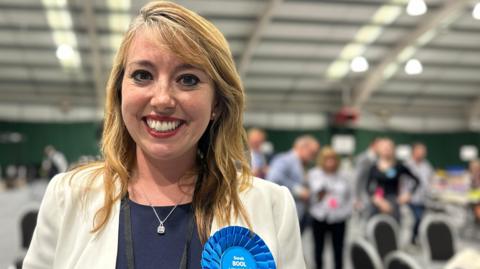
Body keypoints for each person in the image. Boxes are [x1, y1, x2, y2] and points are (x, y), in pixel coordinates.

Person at [23, 2, 305, 268]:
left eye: (188, 79)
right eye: (143, 75)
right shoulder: (69, 196)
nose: (162, 100)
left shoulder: (271, 206)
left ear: (216, 104)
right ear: (120, 90)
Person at [308, 147, 352, 269]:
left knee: (339, 249)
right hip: (319, 215)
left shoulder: (345, 175)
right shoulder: (314, 174)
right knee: (318, 248)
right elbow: (314, 194)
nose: (330, 162)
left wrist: (347, 212)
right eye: (327, 159)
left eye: (333, 159)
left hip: (339, 217)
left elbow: (350, 196)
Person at [266, 135, 320, 232]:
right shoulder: (284, 160)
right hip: (285, 215)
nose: (313, 157)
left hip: (299, 214)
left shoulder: (302, 164)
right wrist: (298, 191)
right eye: (312, 153)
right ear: (302, 147)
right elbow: (273, 179)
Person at [366, 138, 420, 221]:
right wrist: (375, 199)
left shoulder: (399, 166)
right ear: (379, 149)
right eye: (384, 147)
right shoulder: (373, 167)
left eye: (389, 147)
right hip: (378, 200)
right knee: (372, 227)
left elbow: (416, 180)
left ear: (393, 149)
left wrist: (408, 194)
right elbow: (367, 187)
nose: (386, 149)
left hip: (393, 201)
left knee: (392, 228)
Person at [405, 142, 434, 245]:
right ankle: (412, 239)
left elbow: (430, 179)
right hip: (410, 198)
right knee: (417, 218)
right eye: (420, 151)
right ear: (414, 151)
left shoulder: (427, 166)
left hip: (423, 198)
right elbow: (402, 182)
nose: (422, 153)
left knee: (420, 219)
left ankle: (415, 239)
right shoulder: (407, 165)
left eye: (424, 151)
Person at [353, 138, 379, 212]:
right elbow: (357, 180)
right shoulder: (363, 159)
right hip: (364, 197)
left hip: (375, 197)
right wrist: (356, 198)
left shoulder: (379, 159)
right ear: (373, 145)